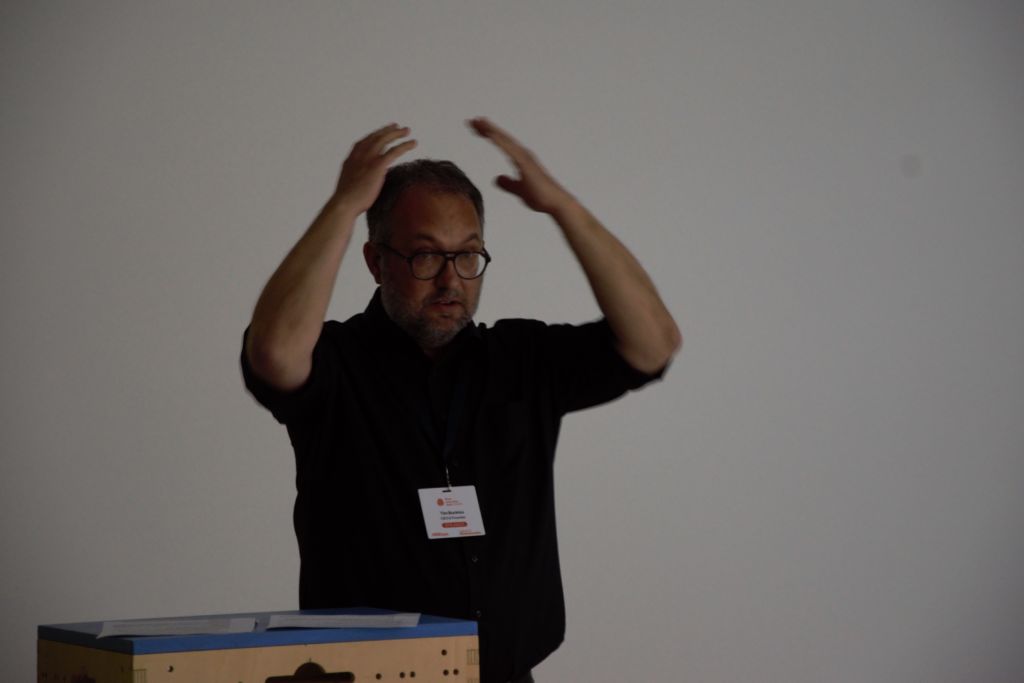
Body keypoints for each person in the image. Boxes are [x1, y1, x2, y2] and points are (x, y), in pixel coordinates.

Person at [241, 118, 681, 683]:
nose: (451, 281)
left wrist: (564, 209)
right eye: (426, 256)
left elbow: (653, 342)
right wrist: (344, 206)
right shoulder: (335, 362)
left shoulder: (521, 359)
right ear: (376, 261)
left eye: (468, 256)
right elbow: (274, 351)